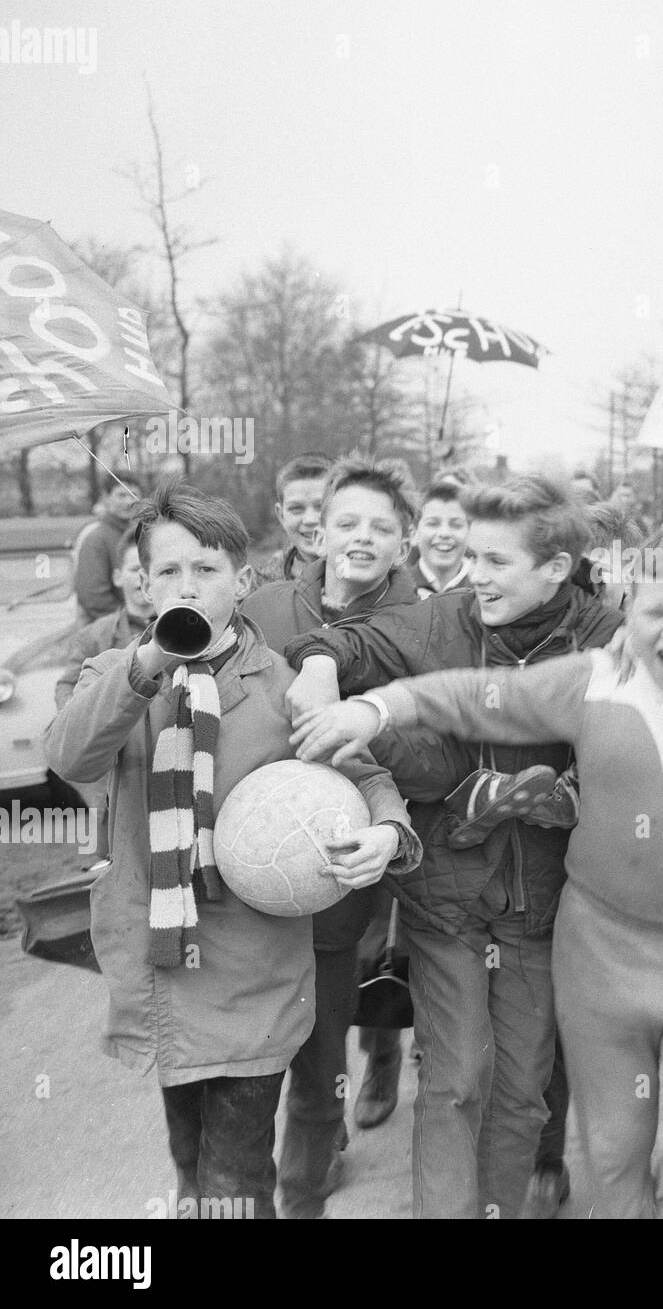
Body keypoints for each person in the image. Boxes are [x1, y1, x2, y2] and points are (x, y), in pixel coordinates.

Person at [290, 545, 663, 1220]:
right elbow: (472, 696)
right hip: (598, 949)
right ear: (624, 612)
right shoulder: (591, 678)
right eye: (653, 610)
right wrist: (371, 711)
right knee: (613, 1151)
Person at [44, 482, 417, 1219]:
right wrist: (148, 660)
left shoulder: (279, 686)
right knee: (190, 1167)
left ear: (243, 583)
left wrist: (384, 832)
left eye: (207, 570)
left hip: (253, 971)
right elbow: (71, 757)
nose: (189, 585)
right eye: (171, 571)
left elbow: (366, 774)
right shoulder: (116, 675)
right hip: (161, 970)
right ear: (143, 585)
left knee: (236, 1177)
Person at [281, 475, 622, 1219]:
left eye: (497, 562)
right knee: (457, 1078)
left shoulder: (605, 636)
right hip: (446, 898)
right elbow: (338, 638)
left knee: (522, 1090)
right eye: (472, 556)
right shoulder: (440, 620)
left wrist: (566, 795)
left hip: (544, 904)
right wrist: (317, 668)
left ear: (556, 569)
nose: (477, 576)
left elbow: (637, 750)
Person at [241, 454, 423, 1217]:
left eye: (381, 527)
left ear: (405, 542)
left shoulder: (424, 621)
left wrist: (365, 761)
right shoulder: (264, 606)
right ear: (317, 531)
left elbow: (432, 749)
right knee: (244, 1073)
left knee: (320, 1069)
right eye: (345, 521)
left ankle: (302, 1194)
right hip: (243, 881)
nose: (360, 536)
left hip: (341, 877)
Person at [56, 532, 153, 712]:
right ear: (117, 577)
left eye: (149, 569)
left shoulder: (180, 629)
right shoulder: (92, 636)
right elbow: (66, 686)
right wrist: (77, 720)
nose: (142, 578)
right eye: (134, 569)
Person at [252, 453, 330, 587]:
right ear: (281, 515)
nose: (310, 520)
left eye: (321, 506)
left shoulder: (370, 580)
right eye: (296, 508)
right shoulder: (260, 585)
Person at [73, 481, 139, 622]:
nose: (129, 501)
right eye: (121, 495)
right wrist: (134, 620)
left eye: (134, 495)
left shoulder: (141, 535)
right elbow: (94, 598)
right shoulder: (96, 539)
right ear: (107, 498)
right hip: (109, 629)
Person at [412, 480, 473, 597]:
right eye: (433, 523)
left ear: (470, 533)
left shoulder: (483, 591)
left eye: (456, 524)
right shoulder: (396, 590)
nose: (444, 533)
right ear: (414, 533)